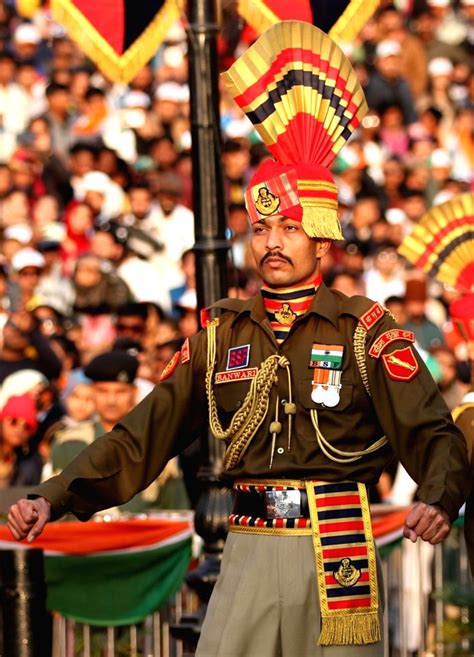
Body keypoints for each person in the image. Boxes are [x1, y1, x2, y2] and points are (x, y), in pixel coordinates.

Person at [7, 21, 470, 657]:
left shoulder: (365, 328)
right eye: (259, 228)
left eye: (288, 227)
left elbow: (432, 432)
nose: (272, 241)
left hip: (339, 551)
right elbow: (143, 435)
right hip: (247, 547)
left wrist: (441, 499)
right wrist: (52, 496)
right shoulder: (221, 332)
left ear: (322, 234)